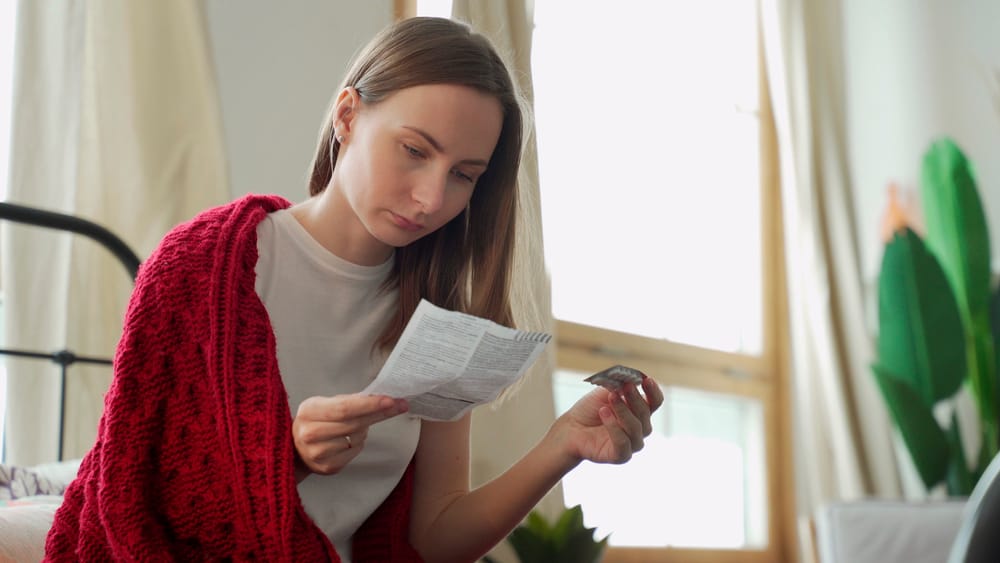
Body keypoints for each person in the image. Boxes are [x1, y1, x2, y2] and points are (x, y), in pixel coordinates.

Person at [44, 16, 663, 562]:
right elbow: (128, 492)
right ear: (347, 115)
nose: (431, 198)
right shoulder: (201, 268)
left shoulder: (437, 319)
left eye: (463, 176)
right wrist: (286, 454)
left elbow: (433, 540)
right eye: (414, 151)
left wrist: (562, 446)